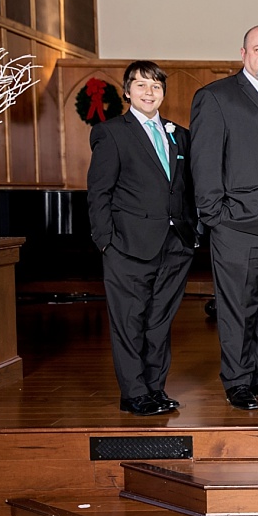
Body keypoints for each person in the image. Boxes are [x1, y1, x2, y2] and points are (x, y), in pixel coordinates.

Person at [190, 27, 258, 410]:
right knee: (237, 306)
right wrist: (216, 217)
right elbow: (204, 164)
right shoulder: (216, 97)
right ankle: (237, 380)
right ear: (243, 53)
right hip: (238, 226)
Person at [87, 61, 197, 416]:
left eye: (156, 87)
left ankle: (154, 388)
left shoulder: (179, 135)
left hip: (175, 244)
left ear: (163, 92)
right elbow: (98, 193)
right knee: (130, 321)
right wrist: (106, 241)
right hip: (128, 245)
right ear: (127, 91)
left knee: (159, 321)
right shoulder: (112, 133)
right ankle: (133, 392)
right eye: (141, 86)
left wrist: (192, 234)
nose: (149, 93)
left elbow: (186, 188)